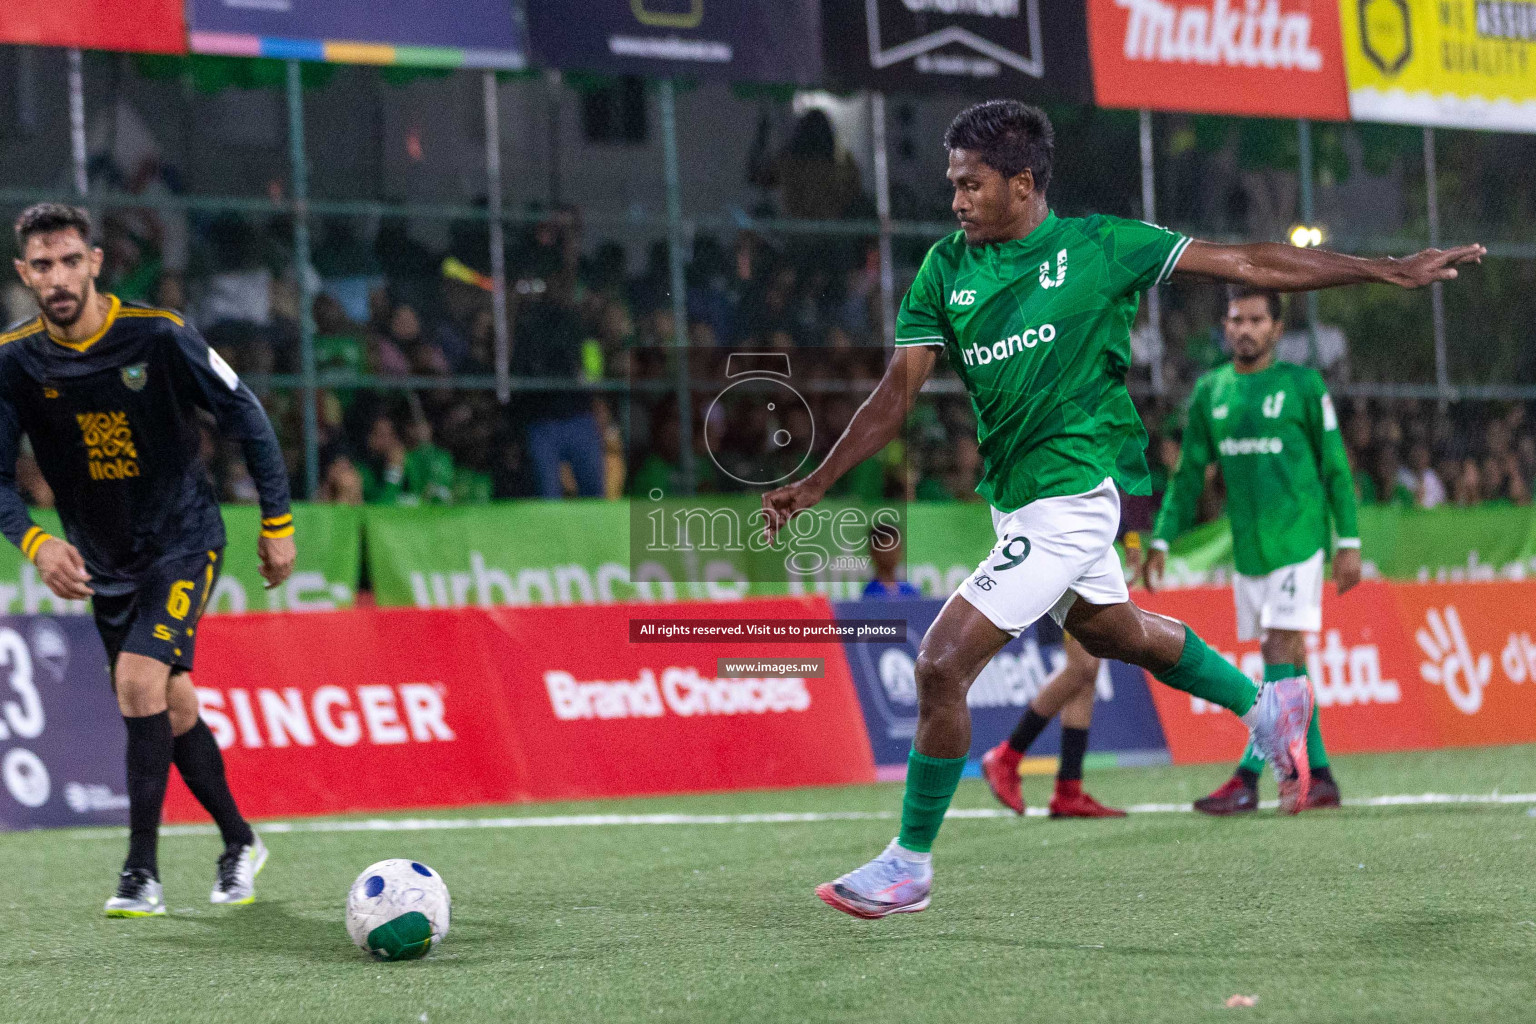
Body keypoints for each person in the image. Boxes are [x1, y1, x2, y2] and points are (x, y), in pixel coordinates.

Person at [760, 100, 1482, 919]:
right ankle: (1266, 704)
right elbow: (897, 393)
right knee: (1114, 631)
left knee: (939, 664)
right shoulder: (945, 271)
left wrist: (1383, 269)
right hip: (1017, 502)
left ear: (1023, 184)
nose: (956, 200)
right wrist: (819, 480)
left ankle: (909, 863)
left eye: (972, 185)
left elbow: (1248, 264)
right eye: (952, 184)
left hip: (1073, 499)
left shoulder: (1099, 247)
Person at [3, 203, 296, 916]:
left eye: (71, 260)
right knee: (171, 702)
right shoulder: (14, 360)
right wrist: (36, 544)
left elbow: (245, 414)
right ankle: (239, 843)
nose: (59, 277)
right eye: (43, 266)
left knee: (137, 684)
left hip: (184, 540)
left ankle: (140, 871)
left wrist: (278, 521)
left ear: (96, 262)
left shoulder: (157, 335)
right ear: (24, 274)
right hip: (107, 562)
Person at [1145, 287, 1362, 815]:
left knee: (1276, 650)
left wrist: (1348, 540)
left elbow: (1335, 466)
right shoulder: (1211, 391)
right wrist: (1160, 538)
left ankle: (1249, 777)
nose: (1244, 328)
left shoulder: (1303, 386)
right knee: (1293, 661)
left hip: (1299, 540)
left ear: (1277, 330)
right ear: (1225, 326)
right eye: (1236, 319)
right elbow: (1190, 472)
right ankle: (1323, 775)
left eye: (1256, 320)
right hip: (1249, 551)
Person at [980, 632, 1126, 819]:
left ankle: (1069, 791)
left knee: (1087, 671)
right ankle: (1006, 758)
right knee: (1081, 667)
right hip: (1069, 600)